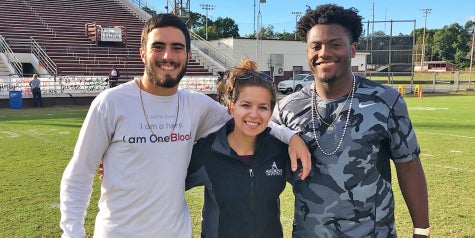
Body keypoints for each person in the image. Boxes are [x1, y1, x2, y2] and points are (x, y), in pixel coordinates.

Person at [60, 13, 310, 238]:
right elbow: (80, 173)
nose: (168, 56)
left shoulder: (196, 105)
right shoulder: (111, 103)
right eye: (158, 47)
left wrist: (291, 137)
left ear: (188, 55)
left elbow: (249, 120)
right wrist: (72, 233)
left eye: (177, 48)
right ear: (143, 52)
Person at [272, 4, 430, 237]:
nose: (324, 52)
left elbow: (408, 165)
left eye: (335, 44)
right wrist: (289, 135)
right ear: (307, 52)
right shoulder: (287, 108)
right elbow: (260, 152)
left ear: (353, 49)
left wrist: (421, 230)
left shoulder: (386, 101)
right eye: (316, 46)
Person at [186, 59, 292, 238]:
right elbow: (167, 190)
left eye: (263, 107)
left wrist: (294, 137)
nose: (254, 114)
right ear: (231, 108)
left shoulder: (281, 152)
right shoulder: (207, 151)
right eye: (246, 105)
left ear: (270, 111)